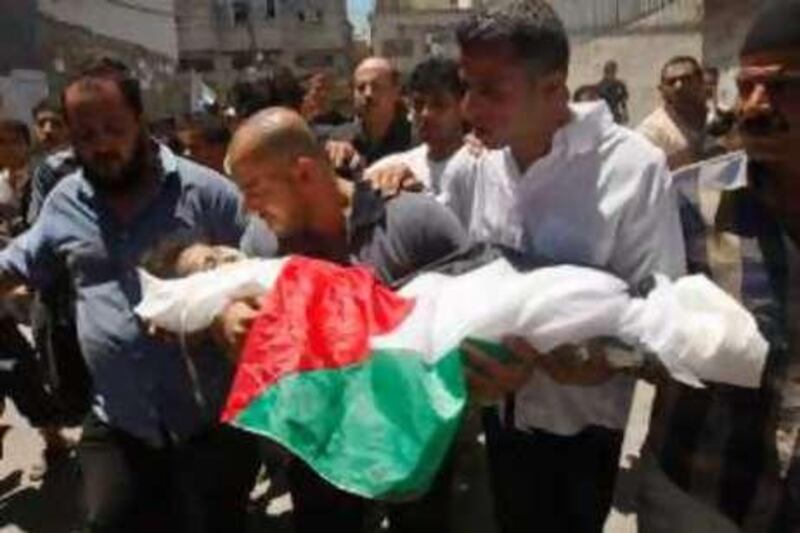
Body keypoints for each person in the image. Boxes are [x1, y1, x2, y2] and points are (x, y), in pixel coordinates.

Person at [438, 2, 685, 531]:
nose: (469, 107)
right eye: (466, 86)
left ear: (553, 88)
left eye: (491, 90)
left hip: (584, 432)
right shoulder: (483, 165)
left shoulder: (632, 169)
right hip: (501, 421)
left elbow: (662, 313)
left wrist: (600, 358)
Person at [0, 57, 270, 532]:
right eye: (86, 134)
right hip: (118, 423)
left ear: (140, 122)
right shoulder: (65, 202)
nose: (101, 144)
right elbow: (17, 262)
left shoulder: (207, 194)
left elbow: (265, 271)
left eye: (113, 127)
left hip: (208, 425)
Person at [221, 107, 467, 532]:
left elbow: (474, 319)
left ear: (303, 174)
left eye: (255, 189)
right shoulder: (261, 244)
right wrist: (229, 316)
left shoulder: (414, 222)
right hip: (319, 450)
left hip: (414, 447)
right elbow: (237, 311)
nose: (247, 207)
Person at [638, 2, 800, 531]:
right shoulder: (690, 203)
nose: (755, 105)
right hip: (701, 497)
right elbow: (638, 324)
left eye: (782, 87)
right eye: (748, 85)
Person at [366, 57, 473, 199]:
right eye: (418, 104)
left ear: (462, 108)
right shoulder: (395, 167)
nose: (425, 114)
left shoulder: (481, 166)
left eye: (439, 104)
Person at [326, 57, 413, 173]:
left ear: (396, 92)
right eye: (361, 88)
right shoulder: (339, 138)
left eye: (376, 87)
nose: (368, 94)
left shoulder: (415, 139)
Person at [638, 56, 709, 170]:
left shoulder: (719, 118)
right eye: (671, 82)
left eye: (686, 79)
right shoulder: (652, 130)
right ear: (662, 90)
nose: (678, 86)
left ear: (701, 82)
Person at [597, 60, 629, 124]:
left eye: (614, 72)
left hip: (615, 115)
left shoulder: (619, 85)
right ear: (605, 72)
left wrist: (625, 112)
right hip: (604, 116)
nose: (612, 74)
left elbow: (623, 101)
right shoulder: (600, 86)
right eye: (610, 72)